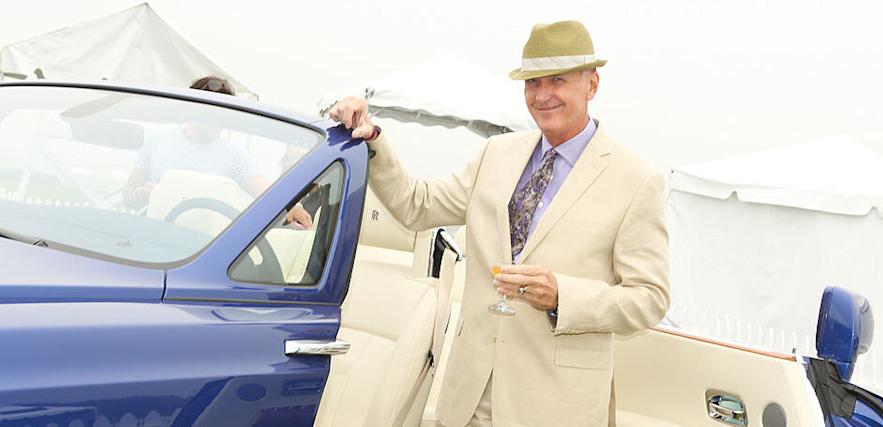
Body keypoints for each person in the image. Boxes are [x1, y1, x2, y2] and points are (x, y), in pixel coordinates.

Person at [330, 21, 669, 426]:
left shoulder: (636, 179)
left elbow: (649, 299)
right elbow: (416, 207)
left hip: (555, 409)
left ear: (591, 85)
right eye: (532, 83)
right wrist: (372, 140)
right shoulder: (497, 152)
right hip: (467, 399)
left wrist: (563, 296)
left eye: (556, 81)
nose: (541, 96)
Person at [123, 76, 312, 228]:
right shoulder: (158, 141)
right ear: (193, 107)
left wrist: (293, 207)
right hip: (152, 236)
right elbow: (129, 194)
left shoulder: (233, 156)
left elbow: (267, 193)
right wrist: (142, 195)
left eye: (224, 113)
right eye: (212, 111)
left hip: (202, 249)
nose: (218, 119)